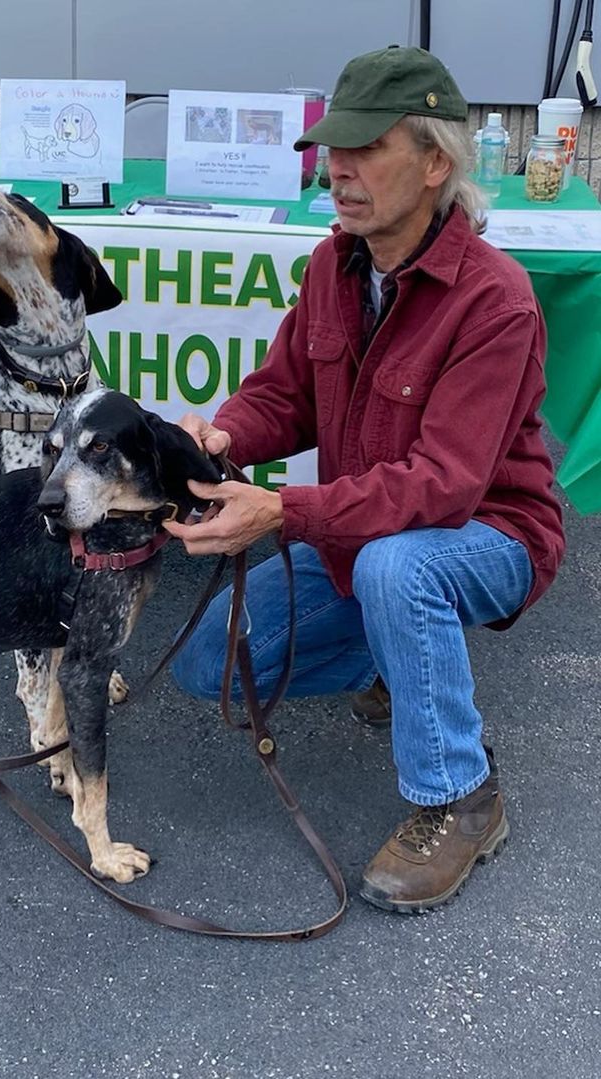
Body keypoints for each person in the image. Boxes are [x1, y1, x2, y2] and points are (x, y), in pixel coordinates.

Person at [164, 45, 565, 913]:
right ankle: (408, 658)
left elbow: (443, 487)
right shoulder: (331, 265)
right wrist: (224, 431)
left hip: (492, 536)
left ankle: (460, 794)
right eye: (331, 150)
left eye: (364, 149)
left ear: (433, 162)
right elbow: (285, 395)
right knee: (214, 670)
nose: (337, 170)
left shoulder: (497, 300)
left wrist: (281, 511)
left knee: (398, 568)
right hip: (367, 526)